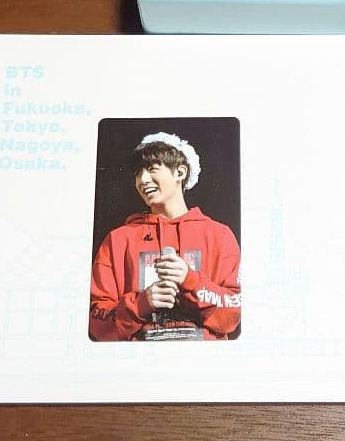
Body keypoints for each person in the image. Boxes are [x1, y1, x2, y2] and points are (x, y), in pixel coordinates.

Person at [89, 132, 242, 341]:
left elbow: (233, 314)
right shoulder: (117, 240)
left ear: (180, 172)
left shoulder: (220, 236)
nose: (142, 180)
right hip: (139, 361)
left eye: (152, 169)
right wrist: (141, 304)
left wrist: (191, 281)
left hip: (204, 361)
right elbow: (96, 322)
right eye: (138, 173)